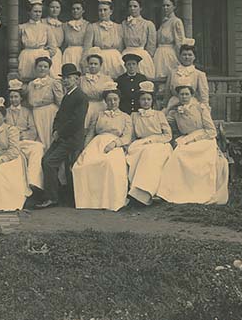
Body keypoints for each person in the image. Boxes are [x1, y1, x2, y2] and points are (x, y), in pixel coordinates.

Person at [157, 85, 229, 205]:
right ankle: (177, 191)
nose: (184, 97)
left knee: (197, 156)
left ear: (192, 96)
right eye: (181, 94)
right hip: (186, 139)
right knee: (178, 154)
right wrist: (169, 108)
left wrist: (193, 139)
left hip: (205, 139)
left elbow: (211, 131)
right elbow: (162, 121)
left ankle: (200, 191)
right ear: (177, 96)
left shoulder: (200, 108)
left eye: (187, 94)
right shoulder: (175, 112)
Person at [72, 82, 131, 211]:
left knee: (109, 164)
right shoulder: (99, 115)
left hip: (115, 144)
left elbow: (126, 137)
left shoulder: (125, 117)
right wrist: (85, 148)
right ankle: (90, 201)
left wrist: (114, 144)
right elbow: (91, 133)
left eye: (115, 99)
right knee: (82, 165)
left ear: (119, 101)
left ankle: (110, 201)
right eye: (109, 100)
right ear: (105, 101)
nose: (112, 102)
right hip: (97, 142)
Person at [36, 63, 88, 209]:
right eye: (64, 78)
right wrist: (55, 130)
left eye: (69, 78)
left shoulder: (81, 97)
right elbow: (59, 116)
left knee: (50, 162)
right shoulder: (67, 95)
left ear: (77, 79)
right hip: (62, 137)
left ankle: (53, 198)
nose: (66, 81)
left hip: (72, 139)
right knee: (46, 159)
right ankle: (54, 193)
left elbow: (76, 121)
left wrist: (60, 133)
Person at [127, 81, 172, 206]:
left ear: (152, 101)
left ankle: (144, 193)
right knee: (138, 154)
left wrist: (151, 140)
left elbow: (168, 135)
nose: (146, 102)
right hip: (140, 144)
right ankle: (136, 190)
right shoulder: (134, 116)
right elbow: (131, 136)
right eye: (143, 99)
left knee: (150, 154)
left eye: (148, 99)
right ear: (139, 101)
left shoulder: (159, 115)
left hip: (159, 144)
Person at [0, 98, 31, 211]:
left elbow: (14, 150)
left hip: (12, 158)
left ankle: (8, 203)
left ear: (4, 117)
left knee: (1, 173)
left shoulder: (11, 129)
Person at [6, 79, 44, 191]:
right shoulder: (5, 112)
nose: (14, 99)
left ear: (21, 98)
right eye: (11, 97)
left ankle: (34, 181)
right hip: (10, 143)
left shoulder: (27, 111)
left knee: (38, 147)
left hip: (23, 141)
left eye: (16, 97)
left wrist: (23, 134)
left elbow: (33, 130)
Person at [82, 0, 125, 78]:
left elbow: (121, 47)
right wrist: (85, 63)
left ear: (111, 11)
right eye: (100, 10)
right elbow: (87, 47)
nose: (102, 12)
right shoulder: (92, 27)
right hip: (100, 59)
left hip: (115, 59)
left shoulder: (118, 27)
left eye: (105, 10)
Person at [27, 57, 64, 149]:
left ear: (48, 69)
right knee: (38, 137)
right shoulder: (31, 84)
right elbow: (29, 101)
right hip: (35, 113)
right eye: (40, 66)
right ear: (35, 68)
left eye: (45, 66)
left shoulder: (54, 83)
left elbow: (60, 101)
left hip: (49, 113)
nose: (42, 68)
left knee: (49, 137)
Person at [18, 0, 57, 82]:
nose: (38, 14)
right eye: (35, 11)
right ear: (29, 12)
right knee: (26, 80)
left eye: (40, 12)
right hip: (26, 57)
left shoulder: (46, 27)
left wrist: (45, 53)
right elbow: (18, 45)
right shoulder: (22, 27)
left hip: (41, 56)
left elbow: (53, 47)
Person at [164, 38, 209, 112]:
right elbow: (167, 93)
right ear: (180, 56)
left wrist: (205, 110)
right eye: (184, 54)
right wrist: (165, 107)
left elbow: (204, 96)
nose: (187, 57)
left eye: (190, 55)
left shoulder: (199, 74)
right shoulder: (173, 73)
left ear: (194, 57)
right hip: (174, 105)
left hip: (191, 105)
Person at [122, 0, 157, 80]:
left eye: (135, 6)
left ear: (140, 8)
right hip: (126, 54)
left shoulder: (148, 24)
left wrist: (148, 57)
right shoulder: (124, 24)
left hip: (142, 56)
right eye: (130, 6)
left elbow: (151, 45)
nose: (132, 9)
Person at [154, 0, 185, 80]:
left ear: (174, 6)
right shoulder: (164, 21)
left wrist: (180, 58)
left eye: (168, 5)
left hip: (169, 54)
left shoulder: (176, 21)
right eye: (163, 5)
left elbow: (179, 42)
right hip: (159, 54)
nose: (165, 8)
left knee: (170, 78)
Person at [80, 48, 113, 129]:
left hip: (102, 107)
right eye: (91, 64)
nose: (93, 66)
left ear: (100, 65)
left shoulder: (107, 79)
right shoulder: (81, 79)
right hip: (86, 107)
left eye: (95, 64)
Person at [62, 0, 89, 69]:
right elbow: (63, 43)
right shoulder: (65, 25)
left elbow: (87, 45)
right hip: (68, 54)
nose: (75, 11)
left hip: (82, 53)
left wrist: (84, 59)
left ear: (83, 10)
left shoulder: (87, 25)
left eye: (78, 9)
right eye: (73, 9)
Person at [42, 0, 64, 78]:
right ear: (48, 8)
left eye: (57, 7)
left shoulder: (62, 25)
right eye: (52, 7)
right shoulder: (42, 22)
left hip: (57, 55)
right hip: (45, 53)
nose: (54, 10)